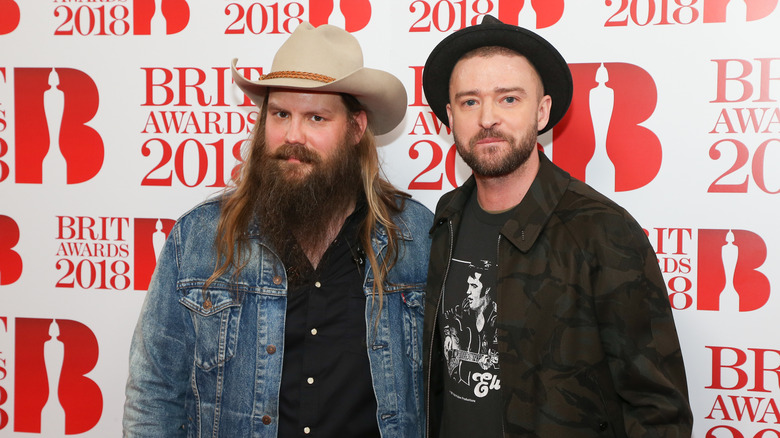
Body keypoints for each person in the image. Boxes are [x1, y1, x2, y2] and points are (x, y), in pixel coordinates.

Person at [124, 22, 432, 438]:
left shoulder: (414, 237)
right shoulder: (199, 239)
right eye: (280, 114)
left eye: (316, 118)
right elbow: (154, 395)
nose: (292, 136)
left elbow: (446, 395)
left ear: (356, 129)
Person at [422, 15, 693, 437]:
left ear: (542, 111)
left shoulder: (603, 231)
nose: (487, 118)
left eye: (509, 99)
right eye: (469, 101)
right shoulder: (445, 218)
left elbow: (658, 409)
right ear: (449, 116)